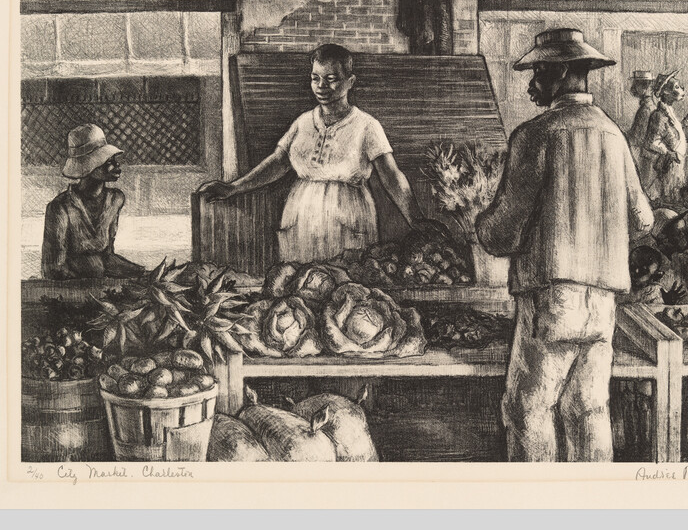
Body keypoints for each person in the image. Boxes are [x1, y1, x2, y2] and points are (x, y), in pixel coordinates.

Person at [475, 28, 654, 462]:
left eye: (537, 72)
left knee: (528, 408)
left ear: (560, 73)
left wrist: (479, 225)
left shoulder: (535, 135)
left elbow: (503, 233)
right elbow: (643, 220)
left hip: (554, 298)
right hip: (603, 303)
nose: (532, 84)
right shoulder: (613, 135)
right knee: (588, 409)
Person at [199, 44, 426, 263]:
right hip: (300, 220)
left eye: (331, 79)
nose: (321, 86)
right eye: (315, 78)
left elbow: (391, 176)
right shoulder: (303, 123)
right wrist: (234, 188)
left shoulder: (367, 126)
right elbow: (278, 162)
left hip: (349, 222)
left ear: (350, 82)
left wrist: (415, 220)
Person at [41, 124, 144, 280]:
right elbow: (54, 268)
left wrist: (142, 272)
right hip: (70, 289)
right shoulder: (60, 207)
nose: (117, 166)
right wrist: (93, 270)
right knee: (94, 265)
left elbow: (108, 257)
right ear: (89, 166)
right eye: (108, 161)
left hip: (100, 283)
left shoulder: (115, 200)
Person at [642, 70, 688, 205]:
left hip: (677, 165)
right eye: (677, 87)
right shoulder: (659, 115)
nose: (681, 89)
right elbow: (651, 143)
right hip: (669, 166)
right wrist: (668, 153)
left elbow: (673, 136)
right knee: (670, 199)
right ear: (665, 92)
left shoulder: (670, 112)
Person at [621, 245, 686, 305]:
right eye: (633, 266)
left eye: (643, 271)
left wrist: (667, 300)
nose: (636, 271)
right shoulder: (621, 286)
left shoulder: (656, 291)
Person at [626, 70, 656, 168]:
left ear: (644, 86)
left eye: (636, 85)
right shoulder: (650, 106)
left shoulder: (645, 109)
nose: (633, 88)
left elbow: (636, 138)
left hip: (643, 157)